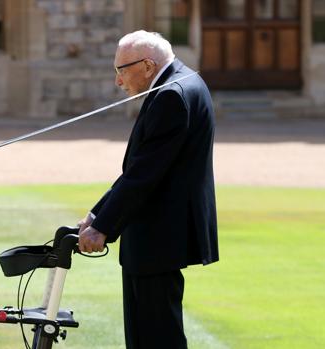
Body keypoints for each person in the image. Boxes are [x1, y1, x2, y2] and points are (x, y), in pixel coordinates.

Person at [77, 31, 219, 348]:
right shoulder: (184, 81)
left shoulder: (172, 95)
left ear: (148, 66)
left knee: (157, 336)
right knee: (146, 334)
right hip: (158, 232)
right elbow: (140, 168)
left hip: (159, 234)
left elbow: (144, 174)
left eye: (121, 70)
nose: (118, 81)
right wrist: (97, 213)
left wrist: (102, 227)